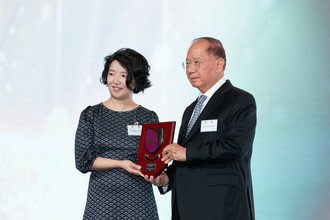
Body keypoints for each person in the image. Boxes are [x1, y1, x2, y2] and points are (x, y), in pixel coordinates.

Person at [146, 37, 257, 220]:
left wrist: (186, 152)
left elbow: (236, 147)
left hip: (221, 206)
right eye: (187, 63)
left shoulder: (240, 100)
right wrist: (166, 179)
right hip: (185, 206)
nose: (190, 69)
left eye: (197, 62)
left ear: (219, 64)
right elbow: (183, 157)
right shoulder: (190, 110)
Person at [75, 48, 159, 220]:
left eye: (123, 75)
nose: (116, 80)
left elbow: (153, 161)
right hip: (101, 200)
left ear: (136, 79)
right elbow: (83, 161)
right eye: (112, 73)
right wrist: (120, 163)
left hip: (138, 200)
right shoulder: (91, 115)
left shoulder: (149, 117)